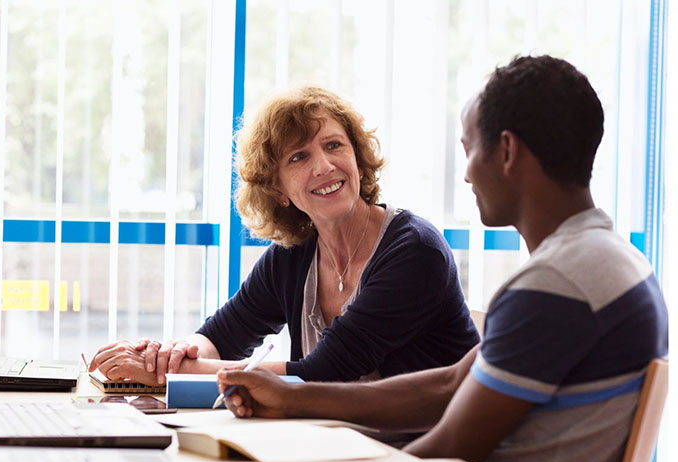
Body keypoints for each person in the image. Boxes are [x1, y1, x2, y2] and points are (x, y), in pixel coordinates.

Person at [215, 55, 669, 462]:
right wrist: (294, 396)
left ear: (507, 152)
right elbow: (453, 382)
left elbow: (452, 443)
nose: (468, 174)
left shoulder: (559, 285)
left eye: (469, 148)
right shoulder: (603, 261)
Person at [90, 86, 479, 386]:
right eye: (299, 157)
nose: (324, 166)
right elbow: (221, 337)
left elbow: (324, 374)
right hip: (337, 448)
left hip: (424, 455)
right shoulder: (293, 256)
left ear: (357, 158)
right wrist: (170, 356)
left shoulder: (415, 251)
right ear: (278, 190)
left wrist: (169, 373)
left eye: (333, 146)